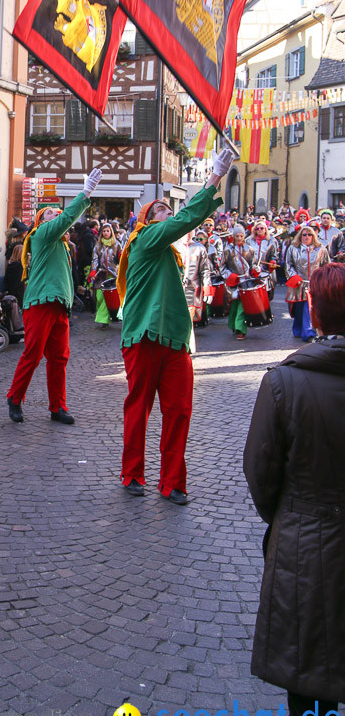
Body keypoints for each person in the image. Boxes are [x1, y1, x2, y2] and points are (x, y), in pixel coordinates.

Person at [243, 264, 345, 716]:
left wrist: (290, 517)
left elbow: (261, 474)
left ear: (317, 317)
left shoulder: (284, 382)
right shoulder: (285, 380)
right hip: (311, 531)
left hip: (307, 541)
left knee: (309, 700)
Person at [116, 146, 234, 504]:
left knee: (180, 410)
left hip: (176, 337)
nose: (167, 213)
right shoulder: (144, 239)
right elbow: (184, 222)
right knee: (139, 407)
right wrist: (214, 178)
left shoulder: (172, 251)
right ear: (147, 221)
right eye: (160, 211)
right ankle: (132, 473)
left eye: (169, 209)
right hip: (144, 334)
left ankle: (172, 481)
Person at [6, 168, 103, 426]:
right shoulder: (42, 234)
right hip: (40, 303)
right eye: (50, 212)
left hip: (60, 305)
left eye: (57, 212)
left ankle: (57, 406)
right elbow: (67, 218)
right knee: (33, 354)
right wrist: (86, 191)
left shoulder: (61, 243)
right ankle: (15, 398)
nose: (56, 214)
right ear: (40, 221)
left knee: (60, 358)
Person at [285, 226, 329, 342]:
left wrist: (322, 279)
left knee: (308, 308)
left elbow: (326, 265)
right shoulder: (293, 249)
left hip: (314, 284)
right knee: (298, 309)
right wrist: (294, 277)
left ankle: (308, 333)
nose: (307, 237)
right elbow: (288, 265)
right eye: (304, 235)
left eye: (309, 235)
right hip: (298, 283)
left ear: (313, 236)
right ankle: (298, 329)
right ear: (300, 236)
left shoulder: (321, 249)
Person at [222, 225, 253, 340]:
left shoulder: (249, 249)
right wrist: (230, 276)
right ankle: (234, 326)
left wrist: (255, 270)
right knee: (234, 306)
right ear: (234, 237)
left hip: (246, 281)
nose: (239, 238)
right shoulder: (228, 250)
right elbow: (222, 267)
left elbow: (253, 264)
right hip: (233, 282)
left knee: (242, 306)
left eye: (241, 236)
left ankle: (241, 329)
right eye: (237, 236)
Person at [90, 223, 121, 327]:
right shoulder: (98, 245)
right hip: (101, 275)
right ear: (101, 233)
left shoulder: (117, 244)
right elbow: (94, 259)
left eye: (108, 231)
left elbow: (121, 260)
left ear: (111, 232)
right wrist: (93, 271)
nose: (106, 233)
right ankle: (105, 317)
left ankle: (103, 320)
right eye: (104, 231)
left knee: (107, 298)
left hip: (112, 275)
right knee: (99, 298)